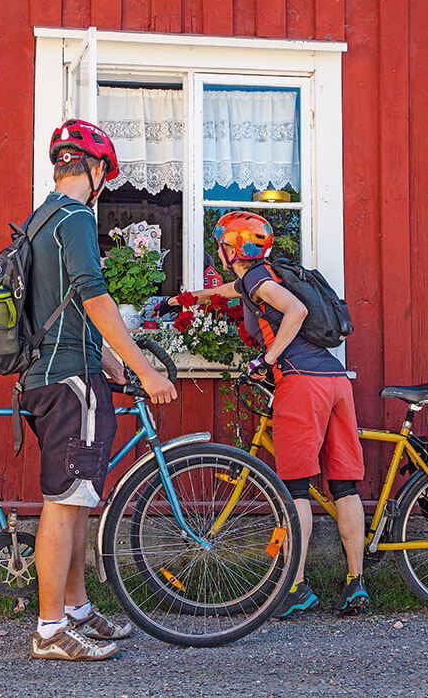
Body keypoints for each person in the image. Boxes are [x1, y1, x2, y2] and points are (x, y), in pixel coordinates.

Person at [157, 210, 370, 617]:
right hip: (335, 380)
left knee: (296, 489)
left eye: (221, 242)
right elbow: (224, 293)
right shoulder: (258, 276)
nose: (218, 249)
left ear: (230, 248)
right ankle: (354, 582)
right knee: (344, 486)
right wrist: (178, 301)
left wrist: (267, 358)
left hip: (301, 380)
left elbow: (295, 311)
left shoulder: (258, 279)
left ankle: (296, 587)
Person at [22, 119, 177, 661]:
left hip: (56, 372)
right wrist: (147, 369)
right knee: (63, 503)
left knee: (79, 498)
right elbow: (95, 300)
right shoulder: (76, 218)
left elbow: (68, 313)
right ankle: (49, 631)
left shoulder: (41, 221)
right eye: (102, 176)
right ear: (94, 172)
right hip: (69, 382)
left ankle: (77, 611)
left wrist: (111, 361)